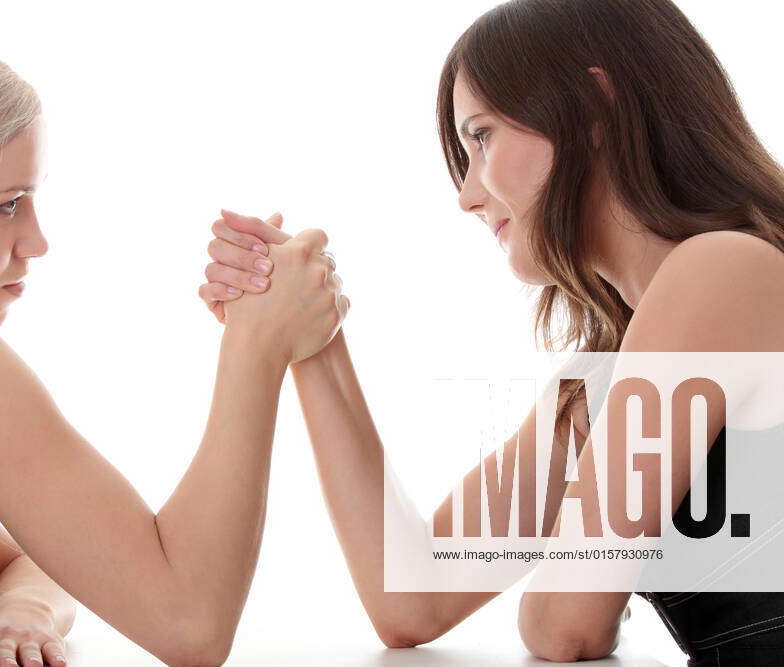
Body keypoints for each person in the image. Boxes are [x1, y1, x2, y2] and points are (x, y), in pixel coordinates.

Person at [197, 0, 784, 664]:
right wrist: (311, 333)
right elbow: (411, 594)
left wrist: (583, 577)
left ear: (596, 107)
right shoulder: (608, 378)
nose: (467, 194)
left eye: (481, 137)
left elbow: (563, 626)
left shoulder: (724, 270)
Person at [0, 24, 347, 667]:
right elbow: (191, 622)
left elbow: (24, 554)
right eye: (8, 205)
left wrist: (19, 613)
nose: (36, 240)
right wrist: (257, 339)